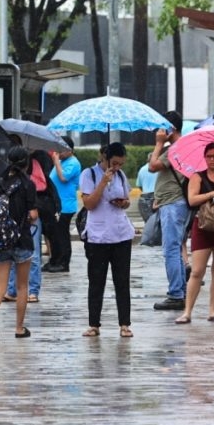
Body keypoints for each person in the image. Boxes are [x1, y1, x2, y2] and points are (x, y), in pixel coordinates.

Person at [174, 142, 214, 324]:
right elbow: (192, 200)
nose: (212, 160)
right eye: (209, 156)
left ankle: (213, 310)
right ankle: (187, 311)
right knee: (197, 271)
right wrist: (213, 193)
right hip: (202, 226)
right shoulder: (197, 177)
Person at [80, 142, 136, 338]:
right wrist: (103, 183)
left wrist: (123, 203)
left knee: (122, 280)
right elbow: (89, 204)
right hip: (98, 235)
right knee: (96, 280)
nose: (117, 167)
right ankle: (94, 324)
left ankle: (124, 324)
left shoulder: (120, 176)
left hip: (121, 234)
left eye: (121, 164)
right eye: (114, 163)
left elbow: (127, 200)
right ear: (104, 158)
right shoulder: (90, 174)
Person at [0, 146, 38, 341]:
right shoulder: (28, 185)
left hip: (0, 239)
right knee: (22, 286)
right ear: (26, 163)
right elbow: (32, 214)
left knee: (0, 285)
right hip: (21, 239)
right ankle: (19, 328)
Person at [148, 110, 189, 311]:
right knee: (175, 247)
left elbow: (153, 166)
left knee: (171, 249)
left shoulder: (176, 147)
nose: (158, 131)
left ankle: (176, 294)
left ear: (170, 129)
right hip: (173, 202)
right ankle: (180, 291)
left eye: (161, 127)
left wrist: (158, 143)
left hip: (173, 203)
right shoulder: (176, 147)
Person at [6, 149, 58, 303]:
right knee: (12, 255)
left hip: (31, 217)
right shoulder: (6, 174)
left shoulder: (33, 166)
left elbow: (41, 185)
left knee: (33, 254)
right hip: (12, 218)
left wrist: (25, 180)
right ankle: (11, 290)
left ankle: (33, 290)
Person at [44, 136, 81, 273]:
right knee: (54, 235)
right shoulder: (62, 161)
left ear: (70, 150)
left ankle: (63, 263)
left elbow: (63, 178)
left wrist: (56, 162)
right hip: (56, 205)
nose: (59, 152)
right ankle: (54, 260)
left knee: (62, 235)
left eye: (62, 149)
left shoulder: (73, 163)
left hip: (66, 205)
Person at [135, 156, 158, 222]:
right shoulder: (158, 169)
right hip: (156, 197)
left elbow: (139, 185)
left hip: (144, 198)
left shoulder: (142, 169)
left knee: (149, 223)